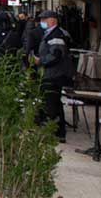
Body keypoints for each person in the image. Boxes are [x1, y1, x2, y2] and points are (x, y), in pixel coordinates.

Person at [33, 10, 75, 142]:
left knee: (52, 104)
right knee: (53, 103)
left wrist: (41, 61)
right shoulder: (51, 33)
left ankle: (56, 132)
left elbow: (56, 55)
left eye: (44, 19)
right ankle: (56, 131)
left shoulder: (56, 35)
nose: (42, 22)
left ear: (53, 20)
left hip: (53, 74)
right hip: (51, 73)